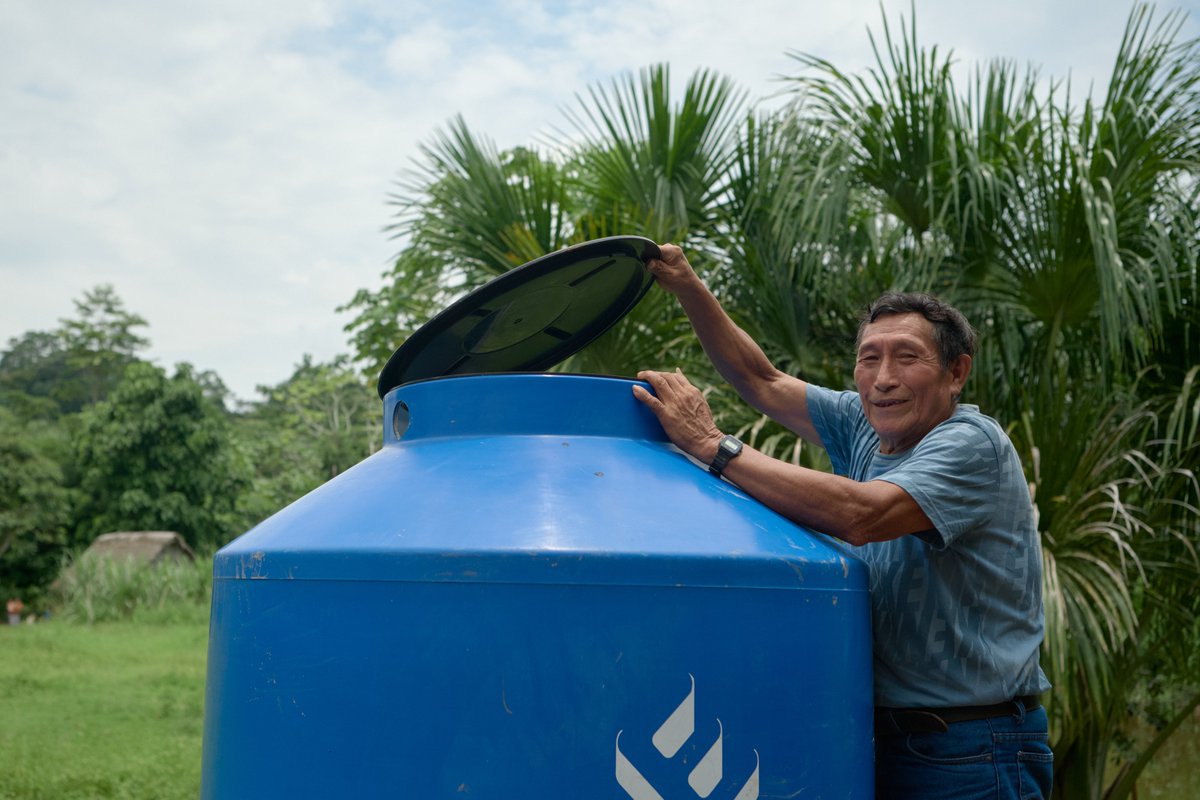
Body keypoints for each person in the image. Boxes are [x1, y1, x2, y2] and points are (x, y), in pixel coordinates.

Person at [632, 243, 1053, 800]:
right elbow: (761, 380)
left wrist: (713, 445)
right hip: (881, 740)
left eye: (907, 357)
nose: (883, 378)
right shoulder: (864, 423)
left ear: (956, 373)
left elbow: (862, 514)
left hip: (972, 747)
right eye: (869, 357)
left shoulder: (971, 444)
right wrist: (687, 283)